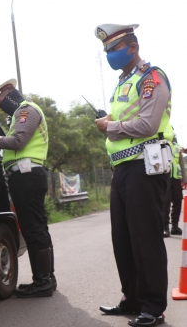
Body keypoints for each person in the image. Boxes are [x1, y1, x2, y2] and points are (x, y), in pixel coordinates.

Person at [94, 24, 171, 327]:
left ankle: (153, 306)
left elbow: (149, 124)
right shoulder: (122, 83)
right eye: (107, 51)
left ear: (133, 47)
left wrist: (110, 127)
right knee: (123, 238)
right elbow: (126, 118)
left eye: (114, 49)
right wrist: (111, 121)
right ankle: (133, 298)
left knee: (145, 238)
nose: (110, 55)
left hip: (145, 167)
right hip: (122, 169)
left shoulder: (152, 77)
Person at [0, 78, 55, 298]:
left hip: (27, 175)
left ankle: (43, 282)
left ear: (8, 94)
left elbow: (18, 141)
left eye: (0, 100)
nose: (0, 105)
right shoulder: (19, 115)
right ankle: (47, 279)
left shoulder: (26, 111)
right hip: (25, 175)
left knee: (34, 230)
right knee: (37, 228)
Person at [163, 136, 186, 237]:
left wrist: (185, 179)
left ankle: (175, 227)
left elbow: (181, 163)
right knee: (165, 202)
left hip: (176, 178)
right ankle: (165, 227)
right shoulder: (162, 144)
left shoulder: (177, 147)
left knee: (177, 201)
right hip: (165, 177)